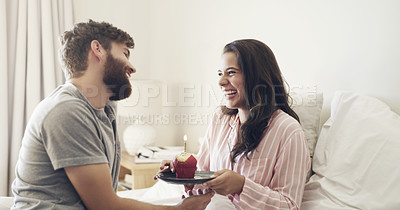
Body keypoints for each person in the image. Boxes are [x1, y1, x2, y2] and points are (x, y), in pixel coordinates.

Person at [11, 20, 214, 210]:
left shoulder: (105, 109)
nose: (132, 68)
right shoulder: (66, 111)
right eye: (125, 54)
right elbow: (105, 206)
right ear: (97, 49)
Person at [160, 39, 310, 209]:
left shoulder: (288, 131)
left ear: (257, 76)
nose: (221, 82)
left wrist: (242, 186)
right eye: (220, 73)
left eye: (230, 72)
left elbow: (289, 205)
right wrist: (181, 173)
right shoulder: (220, 120)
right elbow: (201, 182)